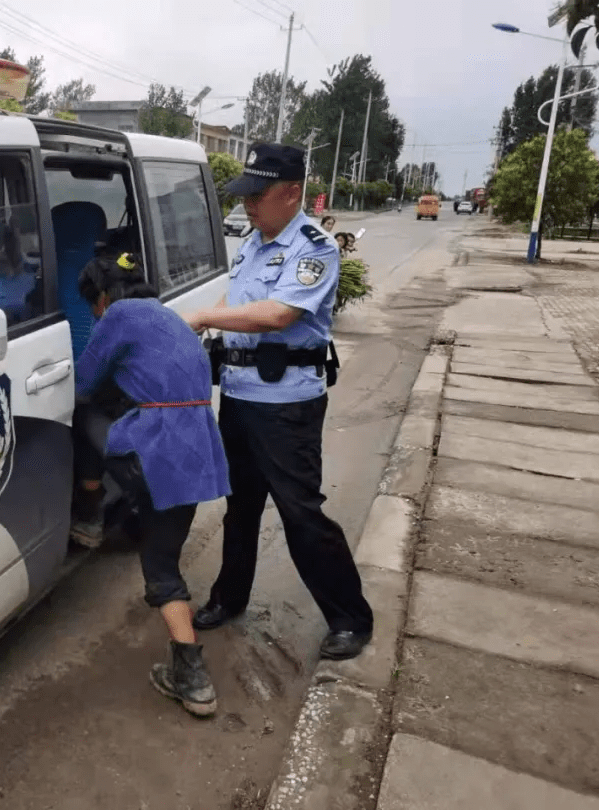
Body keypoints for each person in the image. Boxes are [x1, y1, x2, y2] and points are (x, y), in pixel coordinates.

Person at [184, 142, 374, 662]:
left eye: (258, 195)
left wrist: (202, 318)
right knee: (239, 507)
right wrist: (203, 326)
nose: (248, 204)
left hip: (287, 404)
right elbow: (237, 302)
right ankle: (230, 597)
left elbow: (277, 314)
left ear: (292, 194)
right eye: (245, 195)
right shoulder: (253, 243)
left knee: (300, 513)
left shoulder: (313, 247)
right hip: (241, 397)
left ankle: (350, 618)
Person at [70, 252, 231, 716]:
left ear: (101, 297)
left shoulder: (118, 315)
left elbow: (84, 382)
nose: (96, 314)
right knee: (162, 564)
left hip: (154, 455)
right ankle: (193, 680)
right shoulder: (171, 318)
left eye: (92, 306)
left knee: (83, 416)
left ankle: (90, 514)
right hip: (196, 458)